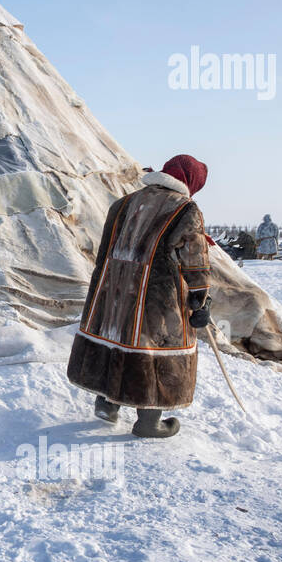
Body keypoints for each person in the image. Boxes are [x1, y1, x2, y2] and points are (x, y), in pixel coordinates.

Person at [67, 155, 212, 438]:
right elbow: (194, 257)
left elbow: (105, 251)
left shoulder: (124, 203)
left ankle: (107, 404)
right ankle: (149, 421)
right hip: (156, 296)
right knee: (151, 347)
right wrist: (200, 296)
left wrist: (105, 287)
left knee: (118, 338)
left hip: (114, 290)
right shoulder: (185, 210)